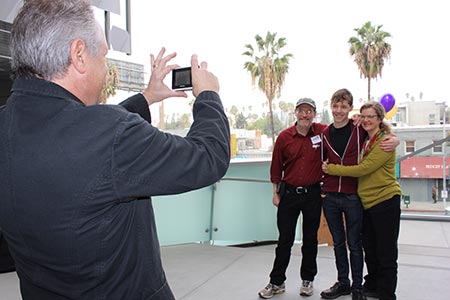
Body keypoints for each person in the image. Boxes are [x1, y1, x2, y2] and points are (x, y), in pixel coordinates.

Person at [0, 1, 230, 300]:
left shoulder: (7, 124)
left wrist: (147, 97)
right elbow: (208, 157)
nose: (105, 67)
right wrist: (208, 95)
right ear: (79, 55)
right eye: (104, 55)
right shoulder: (107, 134)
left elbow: (80, 140)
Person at [320, 89, 398, 300]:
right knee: (345, 244)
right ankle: (345, 283)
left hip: (360, 197)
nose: (339, 110)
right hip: (337, 197)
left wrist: (396, 139)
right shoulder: (326, 132)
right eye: (336, 106)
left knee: (358, 245)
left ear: (349, 108)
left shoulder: (365, 133)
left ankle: (362, 288)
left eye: (344, 107)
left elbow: (366, 163)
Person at [258, 98, 327, 298]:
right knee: (285, 240)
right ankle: (277, 282)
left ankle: (308, 280)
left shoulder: (322, 132)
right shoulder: (284, 137)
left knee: (310, 240)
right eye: (302, 111)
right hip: (288, 195)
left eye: (309, 111)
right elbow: (276, 167)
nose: (305, 115)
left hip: (313, 195)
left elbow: (342, 127)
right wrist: (275, 193)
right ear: (295, 113)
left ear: (314, 114)